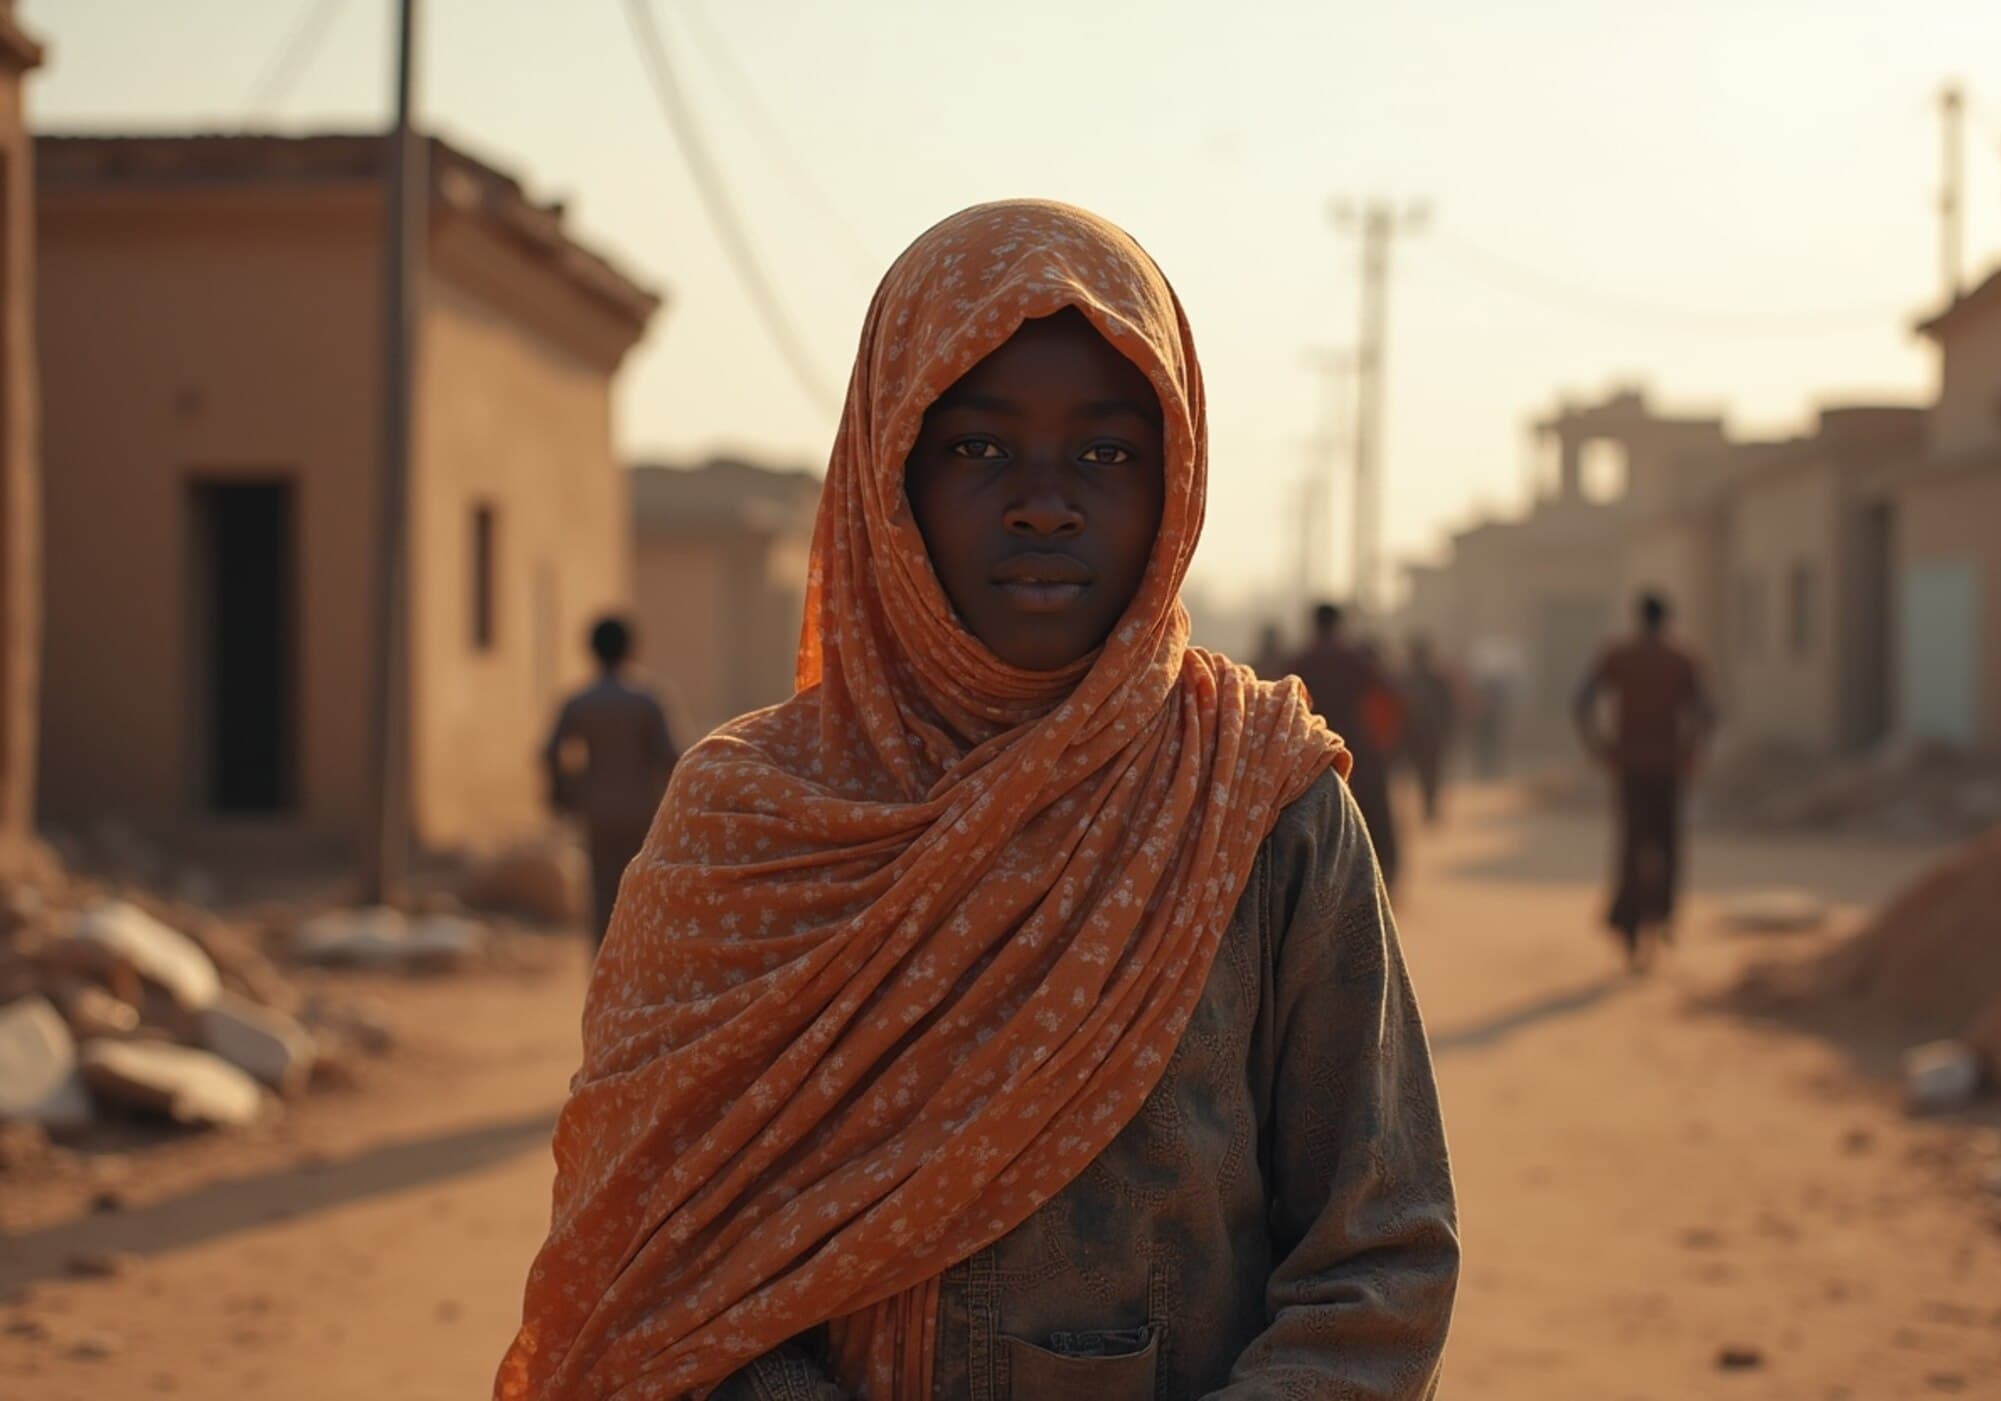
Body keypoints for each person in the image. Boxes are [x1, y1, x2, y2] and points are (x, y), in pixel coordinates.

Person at [498, 201, 1456, 1401]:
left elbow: (1378, 1259)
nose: (1044, 502)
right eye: (977, 448)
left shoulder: (1259, 806)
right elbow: (649, 1288)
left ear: (1175, 486)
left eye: (1106, 454)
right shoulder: (743, 823)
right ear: (884, 477)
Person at [1574, 592, 1715, 968]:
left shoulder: (1619, 656)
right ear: (1667, 619)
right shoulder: (1681, 658)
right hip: (1668, 767)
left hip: (1629, 765)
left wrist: (1599, 747)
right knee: (1666, 844)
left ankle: (1629, 923)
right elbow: (1706, 712)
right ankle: (1663, 915)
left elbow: (1583, 702)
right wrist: (1690, 750)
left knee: (1631, 845)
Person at [541, 616, 682, 948]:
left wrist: (561, 794)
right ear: (631, 650)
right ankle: (637, 965)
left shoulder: (578, 702)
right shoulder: (648, 700)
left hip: (597, 810)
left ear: (591, 650)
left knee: (603, 895)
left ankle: (603, 969)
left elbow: (550, 752)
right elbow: (671, 756)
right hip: (643, 812)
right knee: (642, 892)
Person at [1286, 602, 1404, 895]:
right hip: (1357, 749)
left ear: (1314, 624)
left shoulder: (1302, 661)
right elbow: (1390, 695)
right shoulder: (1355, 659)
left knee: (1309, 822)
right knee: (1373, 814)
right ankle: (1382, 877)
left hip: (1312, 753)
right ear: (1340, 625)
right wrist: (1383, 740)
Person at [1402, 636, 1457, 825]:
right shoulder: (1408, 679)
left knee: (1429, 771)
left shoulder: (1429, 679)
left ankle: (1429, 805)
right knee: (1425, 771)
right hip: (1417, 734)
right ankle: (1427, 805)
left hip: (1428, 733)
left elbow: (1447, 706)